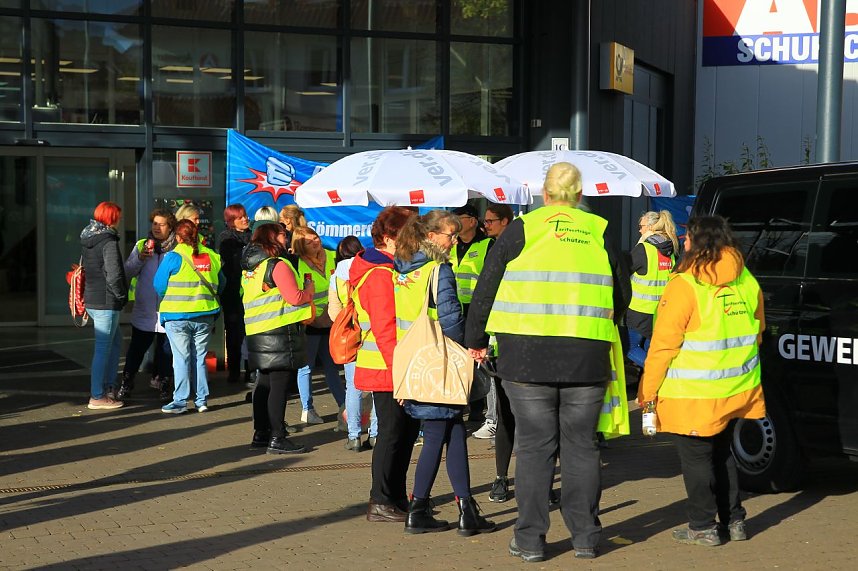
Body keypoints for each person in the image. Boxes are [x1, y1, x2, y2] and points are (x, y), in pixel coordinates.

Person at [465, 162, 631, 561]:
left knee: (534, 448)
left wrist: (476, 341)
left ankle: (530, 540)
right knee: (582, 447)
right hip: (586, 355)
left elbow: (486, 287)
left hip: (526, 358)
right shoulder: (599, 230)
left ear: (545, 194)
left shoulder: (522, 229)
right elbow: (622, 293)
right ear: (579, 194)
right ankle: (586, 537)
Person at [638, 215, 766, 547]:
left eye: (687, 238)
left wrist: (647, 391)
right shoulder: (745, 279)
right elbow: (758, 331)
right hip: (735, 388)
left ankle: (703, 526)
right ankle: (735, 521)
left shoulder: (685, 285)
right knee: (722, 453)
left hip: (692, 394)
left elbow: (663, 346)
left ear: (699, 243)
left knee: (697, 458)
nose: (683, 242)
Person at [393, 210, 496, 536]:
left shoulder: (404, 269)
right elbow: (450, 318)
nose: (454, 241)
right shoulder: (439, 269)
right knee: (438, 435)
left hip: (415, 363)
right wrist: (470, 347)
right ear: (431, 236)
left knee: (453, 432)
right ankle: (419, 508)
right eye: (449, 235)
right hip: (440, 364)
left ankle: (466, 509)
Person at [349, 206, 417, 523]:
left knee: (403, 433)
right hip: (385, 367)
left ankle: (395, 497)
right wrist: (400, 370)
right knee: (391, 434)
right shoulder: (379, 274)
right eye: (409, 234)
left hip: (390, 365)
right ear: (389, 237)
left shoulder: (388, 269)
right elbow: (385, 328)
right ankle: (380, 500)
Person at [241, 223, 314, 454]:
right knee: (279, 386)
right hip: (279, 334)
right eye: (282, 235)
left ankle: (261, 433)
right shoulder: (277, 265)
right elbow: (295, 297)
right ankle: (277, 437)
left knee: (263, 384)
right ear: (271, 237)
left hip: (257, 332)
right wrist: (309, 290)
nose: (286, 238)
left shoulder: (251, 268)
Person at [154, 220, 224, 414]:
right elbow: (222, 284)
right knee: (199, 358)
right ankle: (202, 401)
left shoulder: (173, 257)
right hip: (205, 314)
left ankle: (180, 401)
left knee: (181, 359)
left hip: (177, 316)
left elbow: (158, 285)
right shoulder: (212, 256)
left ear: (178, 237)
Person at [118, 208, 177, 401]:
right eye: (154, 224)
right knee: (136, 350)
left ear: (171, 227)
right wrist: (140, 258)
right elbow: (127, 271)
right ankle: (127, 383)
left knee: (166, 352)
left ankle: (165, 385)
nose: (157, 228)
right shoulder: (143, 245)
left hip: (168, 309)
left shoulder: (177, 248)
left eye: (162, 224)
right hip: (145, 310)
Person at [328, 235, 378, 451]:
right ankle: (375, 434)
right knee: (377, 387)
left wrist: (346, 324)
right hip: (373, 333)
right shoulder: (371, 269)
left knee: (353, 387)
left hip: (350, 336)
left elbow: (333, 312)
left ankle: (354, 436)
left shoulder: (336, 276)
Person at [292, 226, 345, 424]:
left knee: (332, 367)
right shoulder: (297, 264)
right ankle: (308, 409)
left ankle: (344, 406)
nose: (315, 242)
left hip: (332, 321)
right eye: (309, 241)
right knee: (306, 367)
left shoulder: (333, 256)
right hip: (311, 322)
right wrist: (314, 316)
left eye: (315, 237)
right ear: (300, 246)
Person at [471, 203, 515, 442]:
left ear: (504, 221)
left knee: (499, 376)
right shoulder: (493, 246)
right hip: (492, 319)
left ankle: (495, 421)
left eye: (490, 221)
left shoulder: (507, 247)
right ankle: (495, 420)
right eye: (484, 221)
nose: (485, 225)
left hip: (503, 321)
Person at [81, 201, 128, 410]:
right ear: (112, 218)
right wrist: (121, 295)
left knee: (115, 342)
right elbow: (114, 274)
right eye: (118, 216)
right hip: (106, 301)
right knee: (102, 349)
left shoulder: (88, 237)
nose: (120, 219)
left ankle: (109, 386)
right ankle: (97, 396)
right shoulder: (108, 240)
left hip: (92, 299)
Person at [451, 203, 492, 424]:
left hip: (476, 310)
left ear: (473, 221)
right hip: (453, 310)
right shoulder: (449, 246)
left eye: (460, 217)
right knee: (457, 359)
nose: (455, 221)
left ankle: (477, 405)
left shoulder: (487, 245)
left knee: (476, 358)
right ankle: (458, 402)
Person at [626, 210, 679, 370]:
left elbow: (625, 270)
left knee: (631, 349)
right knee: (651, 350)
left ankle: (660, 373)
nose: (639, 230)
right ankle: (652, 382)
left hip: (640, 310)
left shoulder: (644, 249)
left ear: (650, 227)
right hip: (660, 311)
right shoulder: (670, 249)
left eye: (641, 226)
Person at [218, 204, 252, 385]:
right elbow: (231, 265)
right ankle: (233, 370)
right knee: (233, 333)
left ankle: (250, 370)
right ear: (231, 221)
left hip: (250, 292)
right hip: (232, 293)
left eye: (245, 216)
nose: (245, 219)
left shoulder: (253, 236)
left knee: (250, 332)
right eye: (240, 217)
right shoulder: (226, 238)